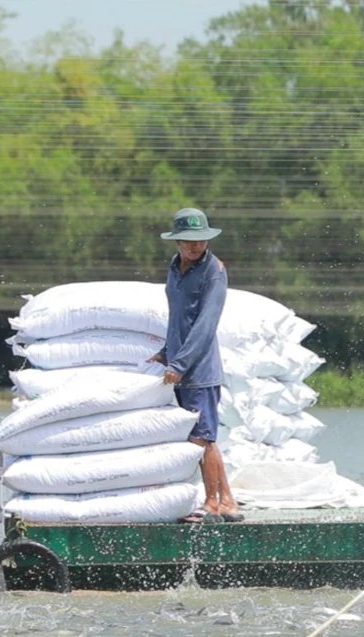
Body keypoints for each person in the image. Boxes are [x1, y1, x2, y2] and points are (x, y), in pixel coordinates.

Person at [149, 207, 244, 524]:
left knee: (202, 439)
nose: (195, 246)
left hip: (200, 371)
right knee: (200, 437)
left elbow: (205, 324)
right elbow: (179, 317)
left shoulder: (213, 271)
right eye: (189, 240)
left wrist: (180, 363)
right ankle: (227, 502)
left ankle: (212, 504)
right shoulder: (174, 268)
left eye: (201, 240)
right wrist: (166, 352)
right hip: (179, 367)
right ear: (176, 241)